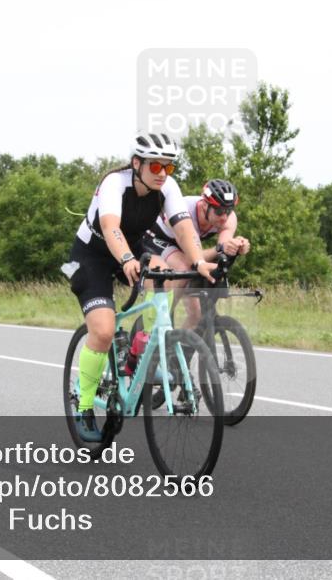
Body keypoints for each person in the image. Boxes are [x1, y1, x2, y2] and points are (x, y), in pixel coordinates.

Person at [64, 132, 217, 441]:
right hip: (92, 255)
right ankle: (83, 404)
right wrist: (125, 259)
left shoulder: (167, 188)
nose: (163, 174)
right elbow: (110, 227)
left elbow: (184, 227)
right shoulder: (114, 184)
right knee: (104, 331)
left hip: (132, 250)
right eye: (156, 167)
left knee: (165, 275)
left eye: (169, 168)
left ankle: (140, 350)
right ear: (137, 163)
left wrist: (198, 260)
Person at [141, 179, 251, 328]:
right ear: (205, 205)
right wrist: (219, 249)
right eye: (219, 211)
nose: (224, 217)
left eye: (228, 211)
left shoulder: (228, 219)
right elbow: (195, 257)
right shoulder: (185, 211)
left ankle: (178, 347)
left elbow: (222, 251)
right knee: (185, 267)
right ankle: (160, 321)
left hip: (186, 245)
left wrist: (237, 247)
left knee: (197, 314)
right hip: (157, 238)